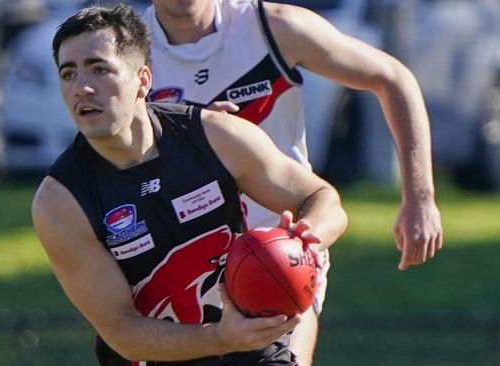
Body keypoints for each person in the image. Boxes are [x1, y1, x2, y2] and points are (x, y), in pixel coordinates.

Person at [32, 4, 347, 365]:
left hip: (251, 346)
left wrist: (303, 239)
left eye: (99, 69)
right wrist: (219, 338)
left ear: (143, 80)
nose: (82, 88)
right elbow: (122, 331)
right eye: (68, 74)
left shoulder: (213, 134)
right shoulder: (61, 201)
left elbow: (322, 197)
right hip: (158, 355)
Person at [142, 0, 443, 364]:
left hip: (278, 251)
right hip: (175, 260)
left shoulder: (272, 27)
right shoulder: (123, 51)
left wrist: (420, 197)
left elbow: (392, 77)